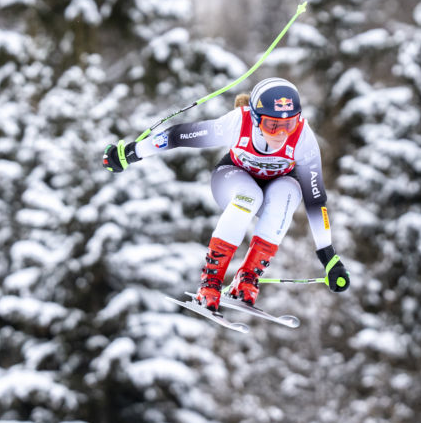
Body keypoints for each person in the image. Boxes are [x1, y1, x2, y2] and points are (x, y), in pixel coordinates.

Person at [103, 77, 349, 312]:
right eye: (272, 125)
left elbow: (316, 201)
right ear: (255, 118)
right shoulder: (238, 123)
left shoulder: (303, 138)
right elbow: (179, 136)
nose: (281, 134)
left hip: (277, 188)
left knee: (289, 192)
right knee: (250, 196)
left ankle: (248, 277)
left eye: (289, 124)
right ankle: (211, 282)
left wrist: (329, 258)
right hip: (232, 179)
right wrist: (131, 153)